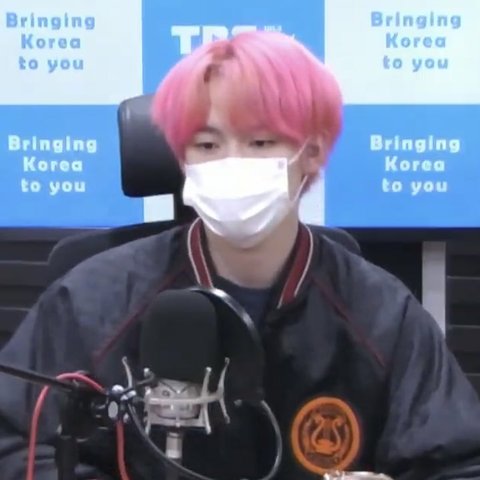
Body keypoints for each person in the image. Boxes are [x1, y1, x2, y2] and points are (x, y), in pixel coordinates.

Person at [0, 30, 480, 480]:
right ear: (182, 158)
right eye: (207, 144)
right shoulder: (92, 301)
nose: (232, 162)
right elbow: (15, 442)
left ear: (311, 152)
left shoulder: (382, 315)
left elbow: (458, 464)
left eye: (261, 142)